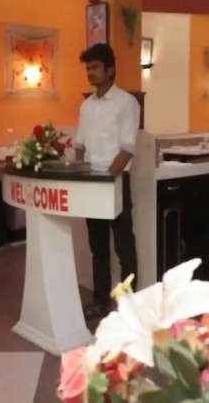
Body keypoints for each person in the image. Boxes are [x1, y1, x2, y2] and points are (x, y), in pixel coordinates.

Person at [74, 43, 140, 320]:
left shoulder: (126, 103)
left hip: (115, 181)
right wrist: (81, 176)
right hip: (92, 184)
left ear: (110, 70)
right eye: (88, 68)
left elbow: (127, 148)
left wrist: (108, 178)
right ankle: (100, 301)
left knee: (124, 246)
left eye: (95, 67)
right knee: (98, 248)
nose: (90, 72)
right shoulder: (86, 106)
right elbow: (80, 146)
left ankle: (128, 305)